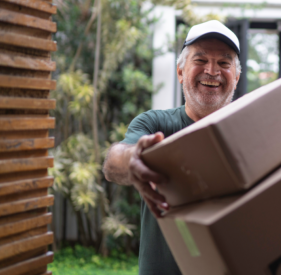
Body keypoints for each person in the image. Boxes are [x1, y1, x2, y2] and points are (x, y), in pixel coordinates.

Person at [103, 20, 242, 275]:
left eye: (224, 63)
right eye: (200, 60)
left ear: (236, 77)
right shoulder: (156, 124)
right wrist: (134, 158)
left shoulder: (249, 132)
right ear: (180, 71)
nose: (212, 71)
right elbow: (114, 163)